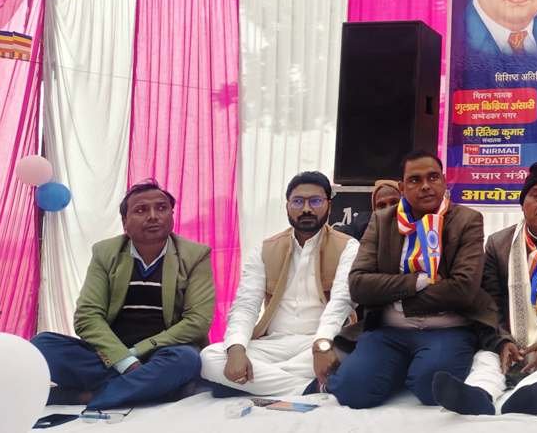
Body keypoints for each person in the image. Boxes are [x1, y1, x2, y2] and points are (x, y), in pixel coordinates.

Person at [326, 151, 497, 407]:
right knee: (352, 391)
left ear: (444, 181)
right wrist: (418, 282)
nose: (426, 186)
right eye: (415, 180)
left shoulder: (467, 220)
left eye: (433, 177)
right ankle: (394, 369)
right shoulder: (382, 221)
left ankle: (406, 371)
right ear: (402, 187)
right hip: (390, 331)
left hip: (446, 329)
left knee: (430, 387)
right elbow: (359, 285)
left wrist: (396, 299)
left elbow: (463, 289)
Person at [434, 161, 537, 415]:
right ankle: (478, 393)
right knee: (487, 359)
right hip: (510, 335)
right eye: (536, 196)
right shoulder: (498, 243)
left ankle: (535, 391)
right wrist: (502, 341)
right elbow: (488, 303)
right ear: (523, 203)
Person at [30, 180, 214, 410]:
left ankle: (88, 396)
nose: (153, 216)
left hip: (165, 351)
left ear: (172, 215)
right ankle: (156, 389)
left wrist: (138, 351)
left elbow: (197, 322)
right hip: (110, 354)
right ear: (125, 222)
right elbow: (87, 316)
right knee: (42, 345)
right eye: (141, 210)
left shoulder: (195, 255)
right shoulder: (105, 252)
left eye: (161, 208)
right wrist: (124, 361)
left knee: (186, 359)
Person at [200, 172, 359, 396]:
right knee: (210, 356)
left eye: (315, 201)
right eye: (298, 201)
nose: (306, 209)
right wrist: (236, 349)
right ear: (287, 206)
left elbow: (341, 301)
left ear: (329, 206)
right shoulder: (266, 249)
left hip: (323, 341)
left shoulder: (348, 247)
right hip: (273, 343)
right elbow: (246, 305)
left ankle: (251, 382)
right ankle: (307, 387)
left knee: (348, 351)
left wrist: (321, 344)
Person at [335, 179, 401, 240]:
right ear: (374, 211)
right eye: (382, 205)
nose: (388, 209)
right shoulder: (363, 225)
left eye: (394, 203)